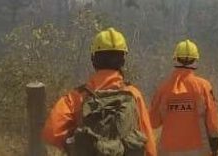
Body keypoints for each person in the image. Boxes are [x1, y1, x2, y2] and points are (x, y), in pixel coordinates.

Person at [41, 27, 156, 156]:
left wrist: (75, 141)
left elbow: (51, 133)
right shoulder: (134, 95)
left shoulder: (75, 97)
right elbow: (148, 142)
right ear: (123, 60)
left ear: (94, 59)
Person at [151, 39, 218, 156]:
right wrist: (215, 148)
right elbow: (213, 123)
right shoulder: (203, 86)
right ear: (195, 60)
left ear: (176, 59)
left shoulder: (163, 89)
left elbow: (153, 122)